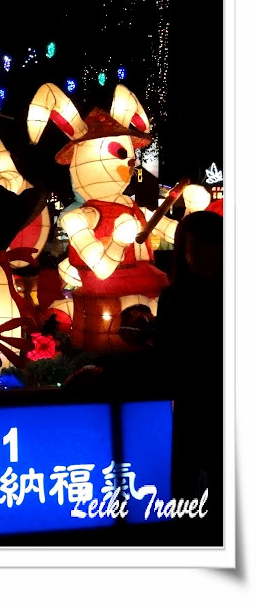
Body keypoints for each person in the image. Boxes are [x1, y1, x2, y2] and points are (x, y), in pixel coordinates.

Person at [154, 210, 223, 542]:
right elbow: (163, 354)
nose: (203, 253)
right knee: (184, 481)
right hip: (189, 404)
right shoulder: (172, 297)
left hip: (218, 404)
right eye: (194, 245)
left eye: (211, 244)